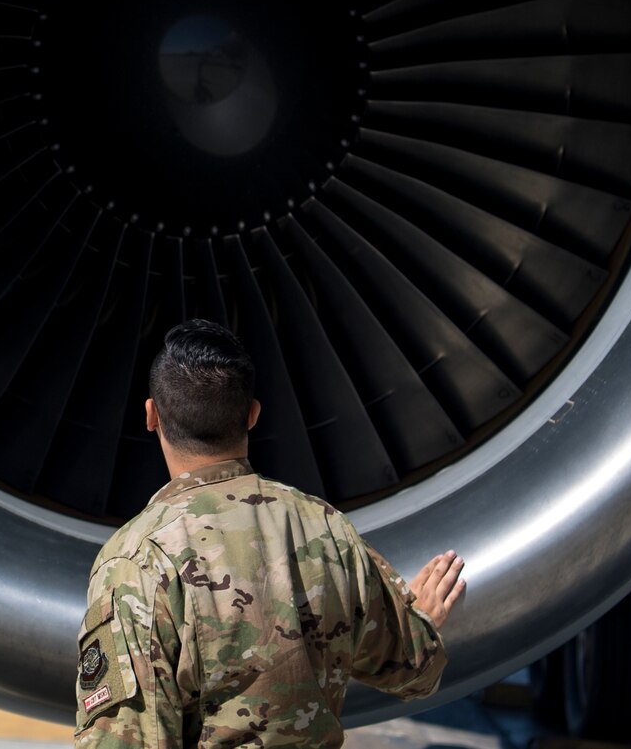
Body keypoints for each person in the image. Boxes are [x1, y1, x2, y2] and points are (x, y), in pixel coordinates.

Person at [74, 319, 466, 747]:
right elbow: (415, 671)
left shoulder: (137, 562)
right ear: (253, 415)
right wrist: (420, 622)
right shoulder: (325, 528)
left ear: (151, 416)